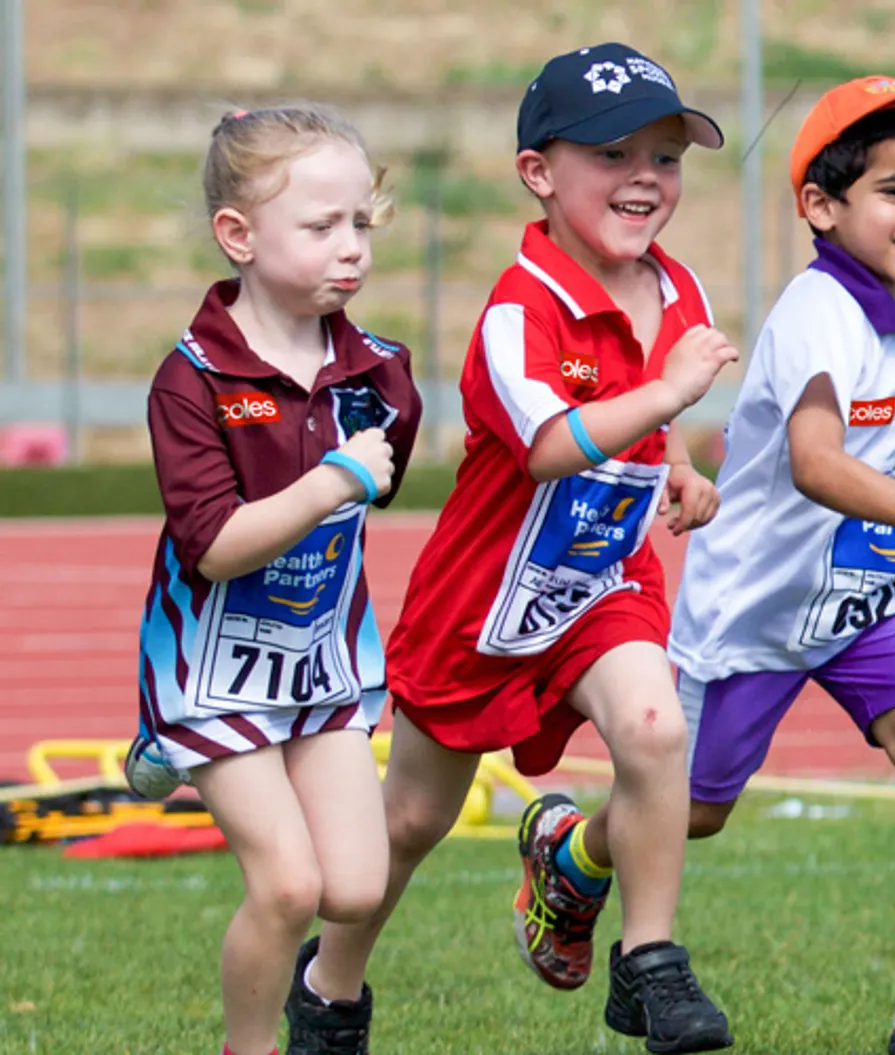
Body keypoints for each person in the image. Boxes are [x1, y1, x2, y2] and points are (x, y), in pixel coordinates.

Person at [288, 44, 740, 1055]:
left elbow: (631, 432)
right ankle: (328, 987)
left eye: (665, 157)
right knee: (406, 821)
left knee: (656, 726)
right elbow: (544, 445)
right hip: (484, 599)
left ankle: (649, 963)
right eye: (613, 154)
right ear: (538, 171)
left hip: (600, 581)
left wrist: (674, 468)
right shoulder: (516, 309)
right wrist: (664, 396)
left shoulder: (681, 290)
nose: (645, 178)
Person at [666, 75, 895, 1055]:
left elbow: (862, 474)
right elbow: (816, 462)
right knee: (691, 815)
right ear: (821, 208)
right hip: (754, 614)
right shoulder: (821, 306)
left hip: (854, 606)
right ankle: (572, 852)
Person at [132, 104, 419, 1055]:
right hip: (208, 672)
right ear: (238, 237)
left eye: (361, 224)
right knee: (289, 885)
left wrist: (345, 478)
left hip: (324, 666)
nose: (351, 249)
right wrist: (333, 476)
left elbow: (375, 498)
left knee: (355, 887)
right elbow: (214, 545)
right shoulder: (192, 381)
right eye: (321, 226)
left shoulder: (384, 375)